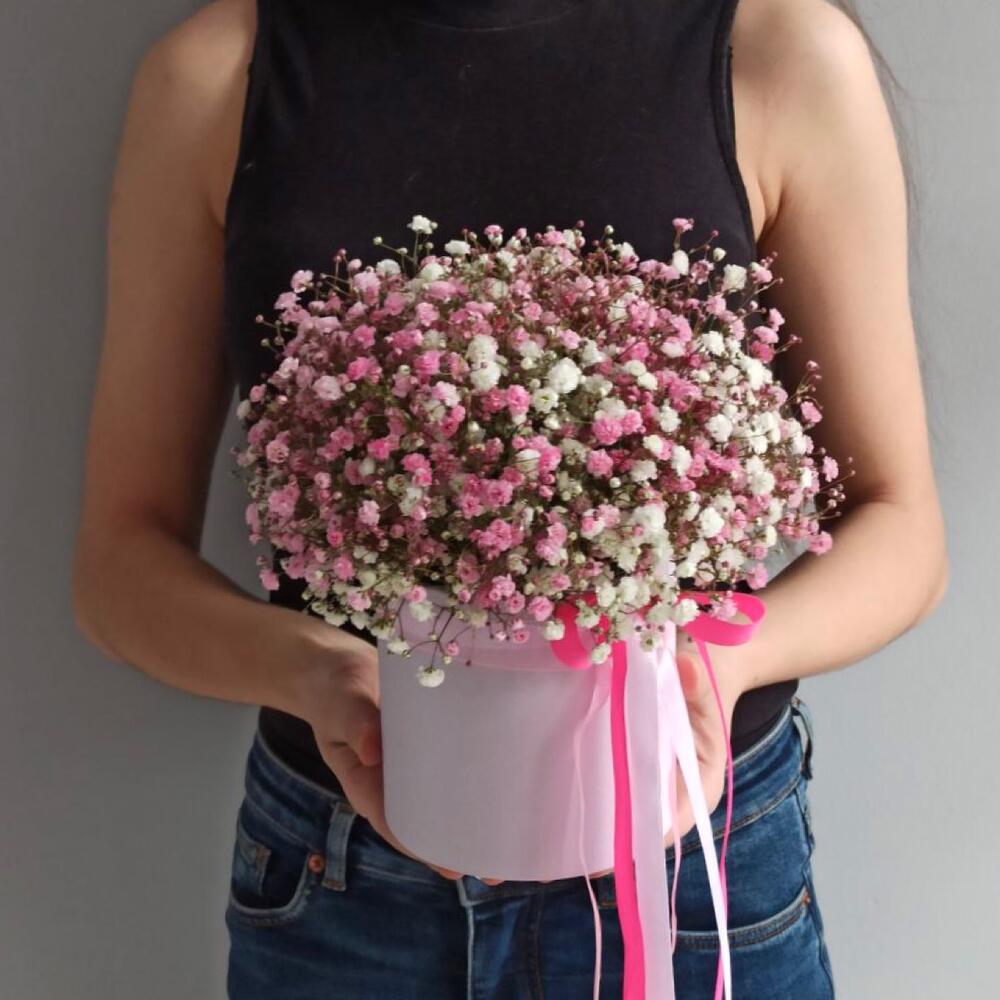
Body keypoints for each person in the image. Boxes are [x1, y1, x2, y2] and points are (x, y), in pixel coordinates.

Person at [72, 0, 948, 996]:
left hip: (689, 869)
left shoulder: (777, 49)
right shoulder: (219, 76)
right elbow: (120, 566)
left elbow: (900, 528)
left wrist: (703, 672)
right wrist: (323, 678)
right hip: (349, 886)